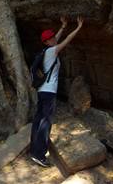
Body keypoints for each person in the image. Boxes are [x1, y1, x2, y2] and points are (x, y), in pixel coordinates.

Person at [30, 16, 84, 167]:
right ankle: (39, 154)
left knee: (38, 120)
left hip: (42, 91)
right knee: (45, 122)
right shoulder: (52, 50)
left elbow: (58, 39)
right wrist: (78, 28)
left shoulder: (46, 50)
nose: (54, 39)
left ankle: (34, 150)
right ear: (46, 42)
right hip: (48, 92)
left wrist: (63, 26)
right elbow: (65, 41)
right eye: (51, 38)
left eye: (53, 36)